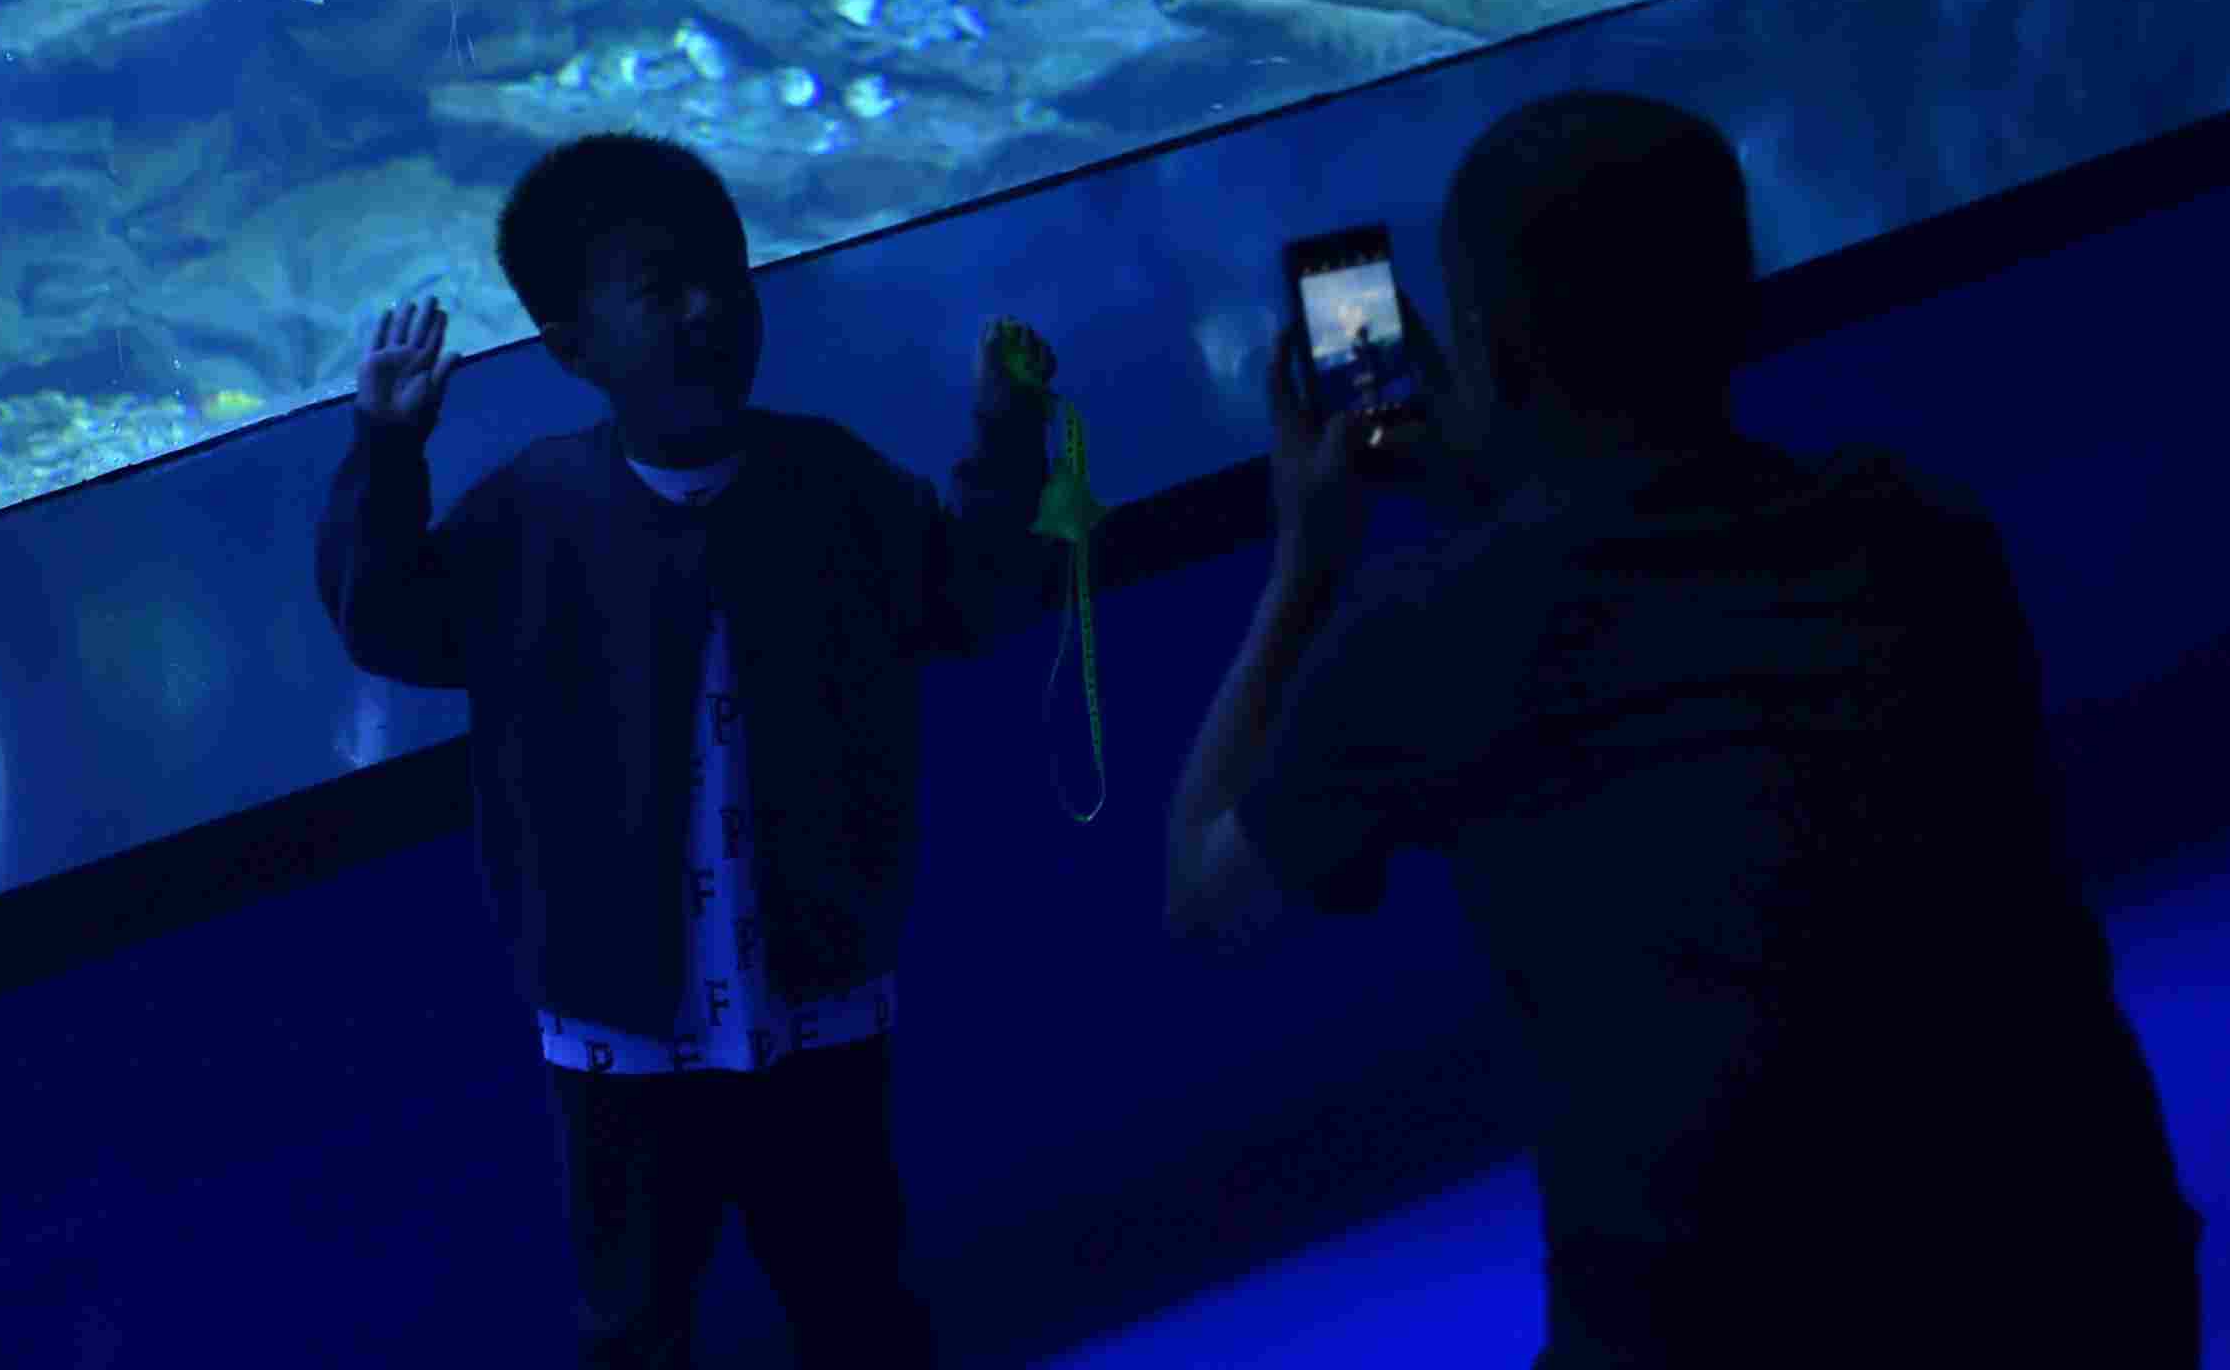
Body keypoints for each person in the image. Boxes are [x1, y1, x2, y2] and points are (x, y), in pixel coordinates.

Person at [1165, 88, 2203, 1367]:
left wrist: (1302, 566)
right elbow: (1650, 580)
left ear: (1488, 346)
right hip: (2093, 1284)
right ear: (1740, 295)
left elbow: (1205, 900)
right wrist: (1499, 474)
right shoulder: (1920, 532)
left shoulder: (1433, 634)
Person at [319, 132, 1060, 1370]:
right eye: (662, 286)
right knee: (633, 1329)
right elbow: (385, 616)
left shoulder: (831, 482)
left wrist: (1006, 432)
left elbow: (973, 593)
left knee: (858, 1301)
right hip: (618, 1032)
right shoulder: (527, 514)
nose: (708, 308)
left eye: (725, 273)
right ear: (571, 345)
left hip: (819, 1001)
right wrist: (384, 449)